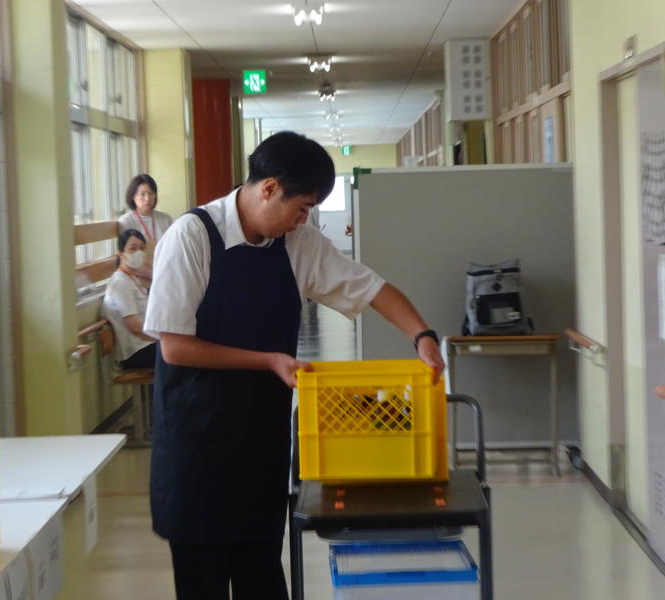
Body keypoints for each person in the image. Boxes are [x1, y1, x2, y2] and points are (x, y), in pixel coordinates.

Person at [143, 131, 445, 600]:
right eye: (302, 207)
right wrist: (268, 360)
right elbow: (176, 347)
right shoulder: (192, 236)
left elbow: (370, 287)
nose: (304, 220)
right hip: (195, 442)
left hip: (260, 438)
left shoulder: (297, 244)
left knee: (262, 570)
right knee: (202, 577)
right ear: (269, 188)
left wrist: (421, 336)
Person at [102, 229, 156, 369]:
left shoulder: (131, 279)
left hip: (146, 344)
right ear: (121, 254)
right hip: (135, 351)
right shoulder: (121, 283)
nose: (139, 253)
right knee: (181, 353)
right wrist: (162, 339)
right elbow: (135, 327)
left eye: (142, 248)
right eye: (133, 248)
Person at [118, 174, 173, 282]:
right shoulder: (126, 222)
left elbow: (172, 251)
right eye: (142, 194)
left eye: (151, 193)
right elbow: (128, 260)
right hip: (139, 280)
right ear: (132, 196)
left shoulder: (166, 219)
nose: (147, 199)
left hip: (165, 276)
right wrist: (156, 276)